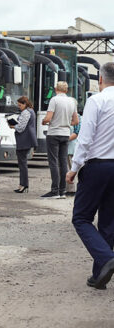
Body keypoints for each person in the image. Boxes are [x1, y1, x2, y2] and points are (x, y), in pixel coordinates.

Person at [68, 62, 114, 290]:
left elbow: (85, 138)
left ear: (101, 80)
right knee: (108, 222)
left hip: (97, 166)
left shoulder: (97, 100)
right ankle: (99, 276)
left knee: (81, 218)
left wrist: (74, 167)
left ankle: (106, 259)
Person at [41, 81, 79, 199]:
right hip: (65, 134)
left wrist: (43, 121)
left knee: (53, 162)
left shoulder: (54, 100)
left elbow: (48, 118)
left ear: (55, 88)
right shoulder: (71, 101)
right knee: (63, 162)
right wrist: (67, 123)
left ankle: (54, 190)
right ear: (66, 90)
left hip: (54, 133)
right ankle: (62, 191)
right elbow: (76, 121)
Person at [9, 96, 37, 193]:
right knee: (22, 163)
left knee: (22, 164)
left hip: (24, 140)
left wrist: (13, 126)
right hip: (27, 139)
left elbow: (21, 127)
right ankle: (23, 184)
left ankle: (23, 185)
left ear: (25, 104)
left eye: (20, 105)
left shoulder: (26, 112)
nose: (19, 107)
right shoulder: (31, 111)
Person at [66, 107, 81, 196]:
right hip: (69, 147)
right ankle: (70, 189)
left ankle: (72, 190)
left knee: (72, 168)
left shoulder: (77, 117)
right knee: (70, 168)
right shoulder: (68, 116)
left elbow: (77, 132)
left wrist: (64, 139)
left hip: (72, 147)